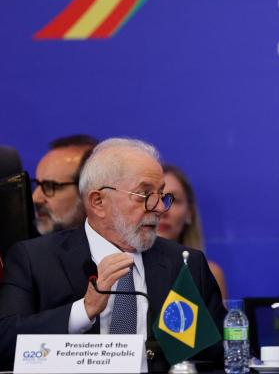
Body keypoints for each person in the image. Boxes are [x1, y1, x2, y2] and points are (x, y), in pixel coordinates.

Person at [0, 138, 225, 368]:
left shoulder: (185, 264)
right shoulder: (34, 259)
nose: (159, 208)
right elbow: (4, 342)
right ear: (98, 202)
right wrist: (83, 311)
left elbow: (218, 355)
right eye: (145, 195)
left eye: (161, 195)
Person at [159, 164, 228, 299]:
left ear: (189, 213)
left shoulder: (209, 274)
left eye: (175, 200)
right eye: (156, 198)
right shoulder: (127, 273)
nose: (163, 210)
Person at [32, 134, 98, 235]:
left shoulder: (123, 248)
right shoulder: (24, 248)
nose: (35, 198)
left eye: (50, 186)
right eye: (37, 185)